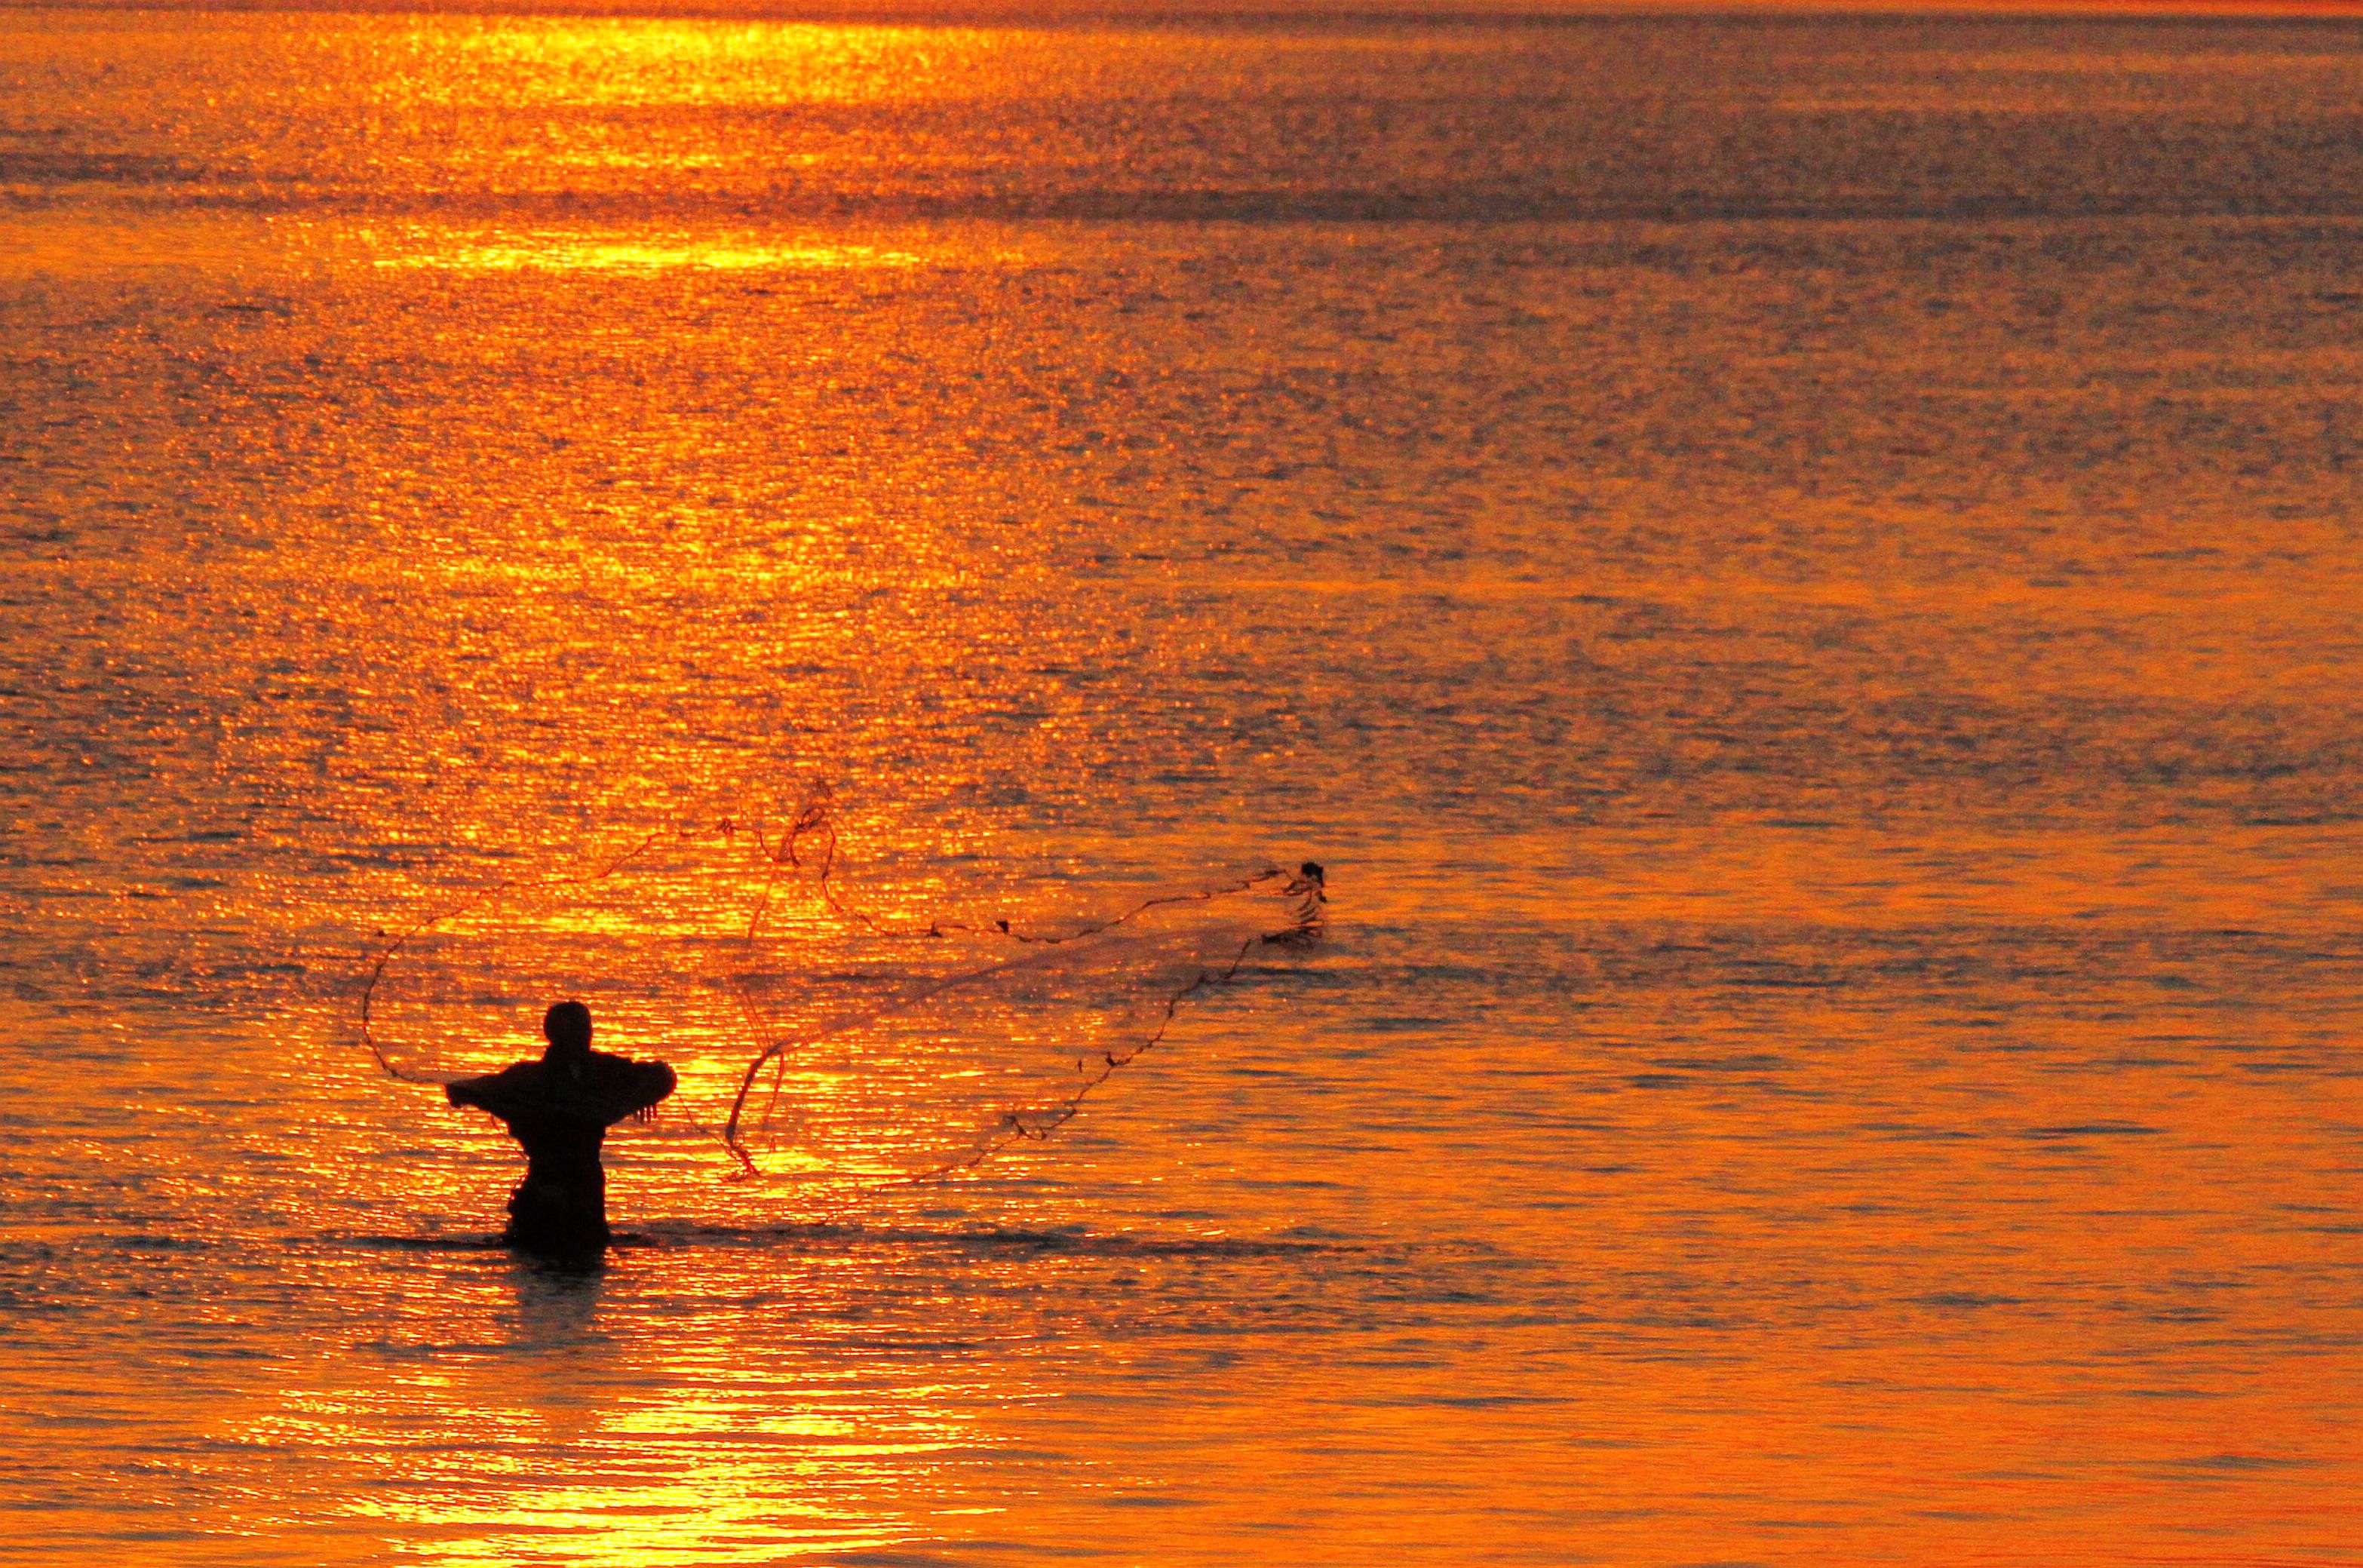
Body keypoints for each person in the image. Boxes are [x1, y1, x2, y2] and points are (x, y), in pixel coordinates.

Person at [445, 1001, 676, 1257]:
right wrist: (464, 1096)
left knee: (587, 1255)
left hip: (586, 1186)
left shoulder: (606, 1071)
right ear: (553, 1034)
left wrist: (639, 1098)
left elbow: (663, 1075)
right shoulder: (528, 1077)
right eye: (575, 1030)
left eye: (586, 1028)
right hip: (546, 1185)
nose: (584, 1036)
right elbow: (470, 1089)